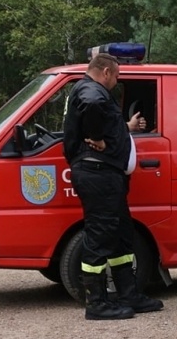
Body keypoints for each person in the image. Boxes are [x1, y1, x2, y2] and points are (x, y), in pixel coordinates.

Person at [61, 51, 164, 320]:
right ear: (105, 72)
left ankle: (128, 294)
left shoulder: (92, 91)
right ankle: (96, 303)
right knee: (100, 234)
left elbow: (107, 121)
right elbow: (93, 105)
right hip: (97, 173)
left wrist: (124, 127)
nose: (117, 80)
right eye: (116, 75)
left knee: (120, 233)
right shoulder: (91, 91)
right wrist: (97, 137)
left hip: (106, 174)